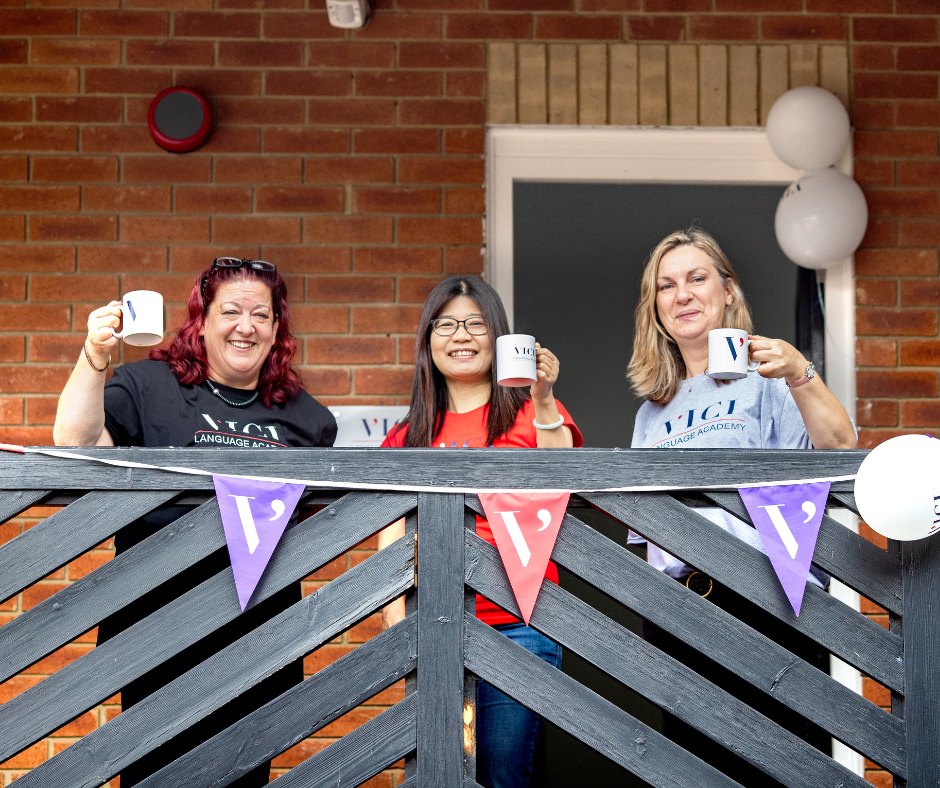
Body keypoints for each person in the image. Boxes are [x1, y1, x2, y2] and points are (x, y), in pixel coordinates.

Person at [53, 256, 337, 785]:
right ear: (200, 321)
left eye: (262, 315)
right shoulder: (144, 386)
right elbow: (76, 443)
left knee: (245, 773)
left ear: (277, 330)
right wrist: (94, 355)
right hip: (158, 624)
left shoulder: (309, 418)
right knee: (151, 773)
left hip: (259, 628)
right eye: (230, 311)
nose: (246, 326)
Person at [626, 227, 857, 784]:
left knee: (782, 767)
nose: (681, 294)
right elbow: (644, 529)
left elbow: (840, 447)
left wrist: (801, 372)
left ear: (728, 291)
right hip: (679, 607)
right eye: (666, 285)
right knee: (695, 771)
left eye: (696, 278)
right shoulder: (652, 410)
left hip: (767, 596)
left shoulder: (769, 378)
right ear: (655, 308)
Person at [377, 274, 583, 788]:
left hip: (520, 629)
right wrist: (398, 624)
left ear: (499, 337)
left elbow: (568, 482)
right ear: (427, 343)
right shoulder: (406, 436)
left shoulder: (534, 416)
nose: (461, 335)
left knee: (505, 775)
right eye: (446, 324)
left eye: (475, 323)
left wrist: (543, 398)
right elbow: (390, 541)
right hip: (432, 629)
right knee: (435, 776)